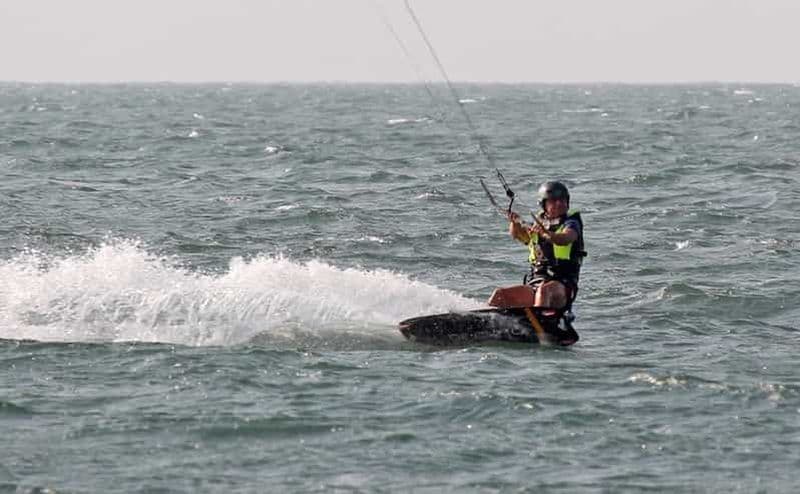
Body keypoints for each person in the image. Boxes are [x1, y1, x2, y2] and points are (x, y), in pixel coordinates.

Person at [487, 181, 586, 318]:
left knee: (544, 292)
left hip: (563, 286)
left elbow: (566, 238)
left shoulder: (572, 223)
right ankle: (486, 323)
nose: (559, 203)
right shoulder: (538, 224)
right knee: (500, 295)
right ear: (544, 204)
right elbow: (519, 236)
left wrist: (548, 234)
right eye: (553, 201)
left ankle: (539, 324)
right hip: (536, 282)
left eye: (562, 200)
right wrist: (514, 222)